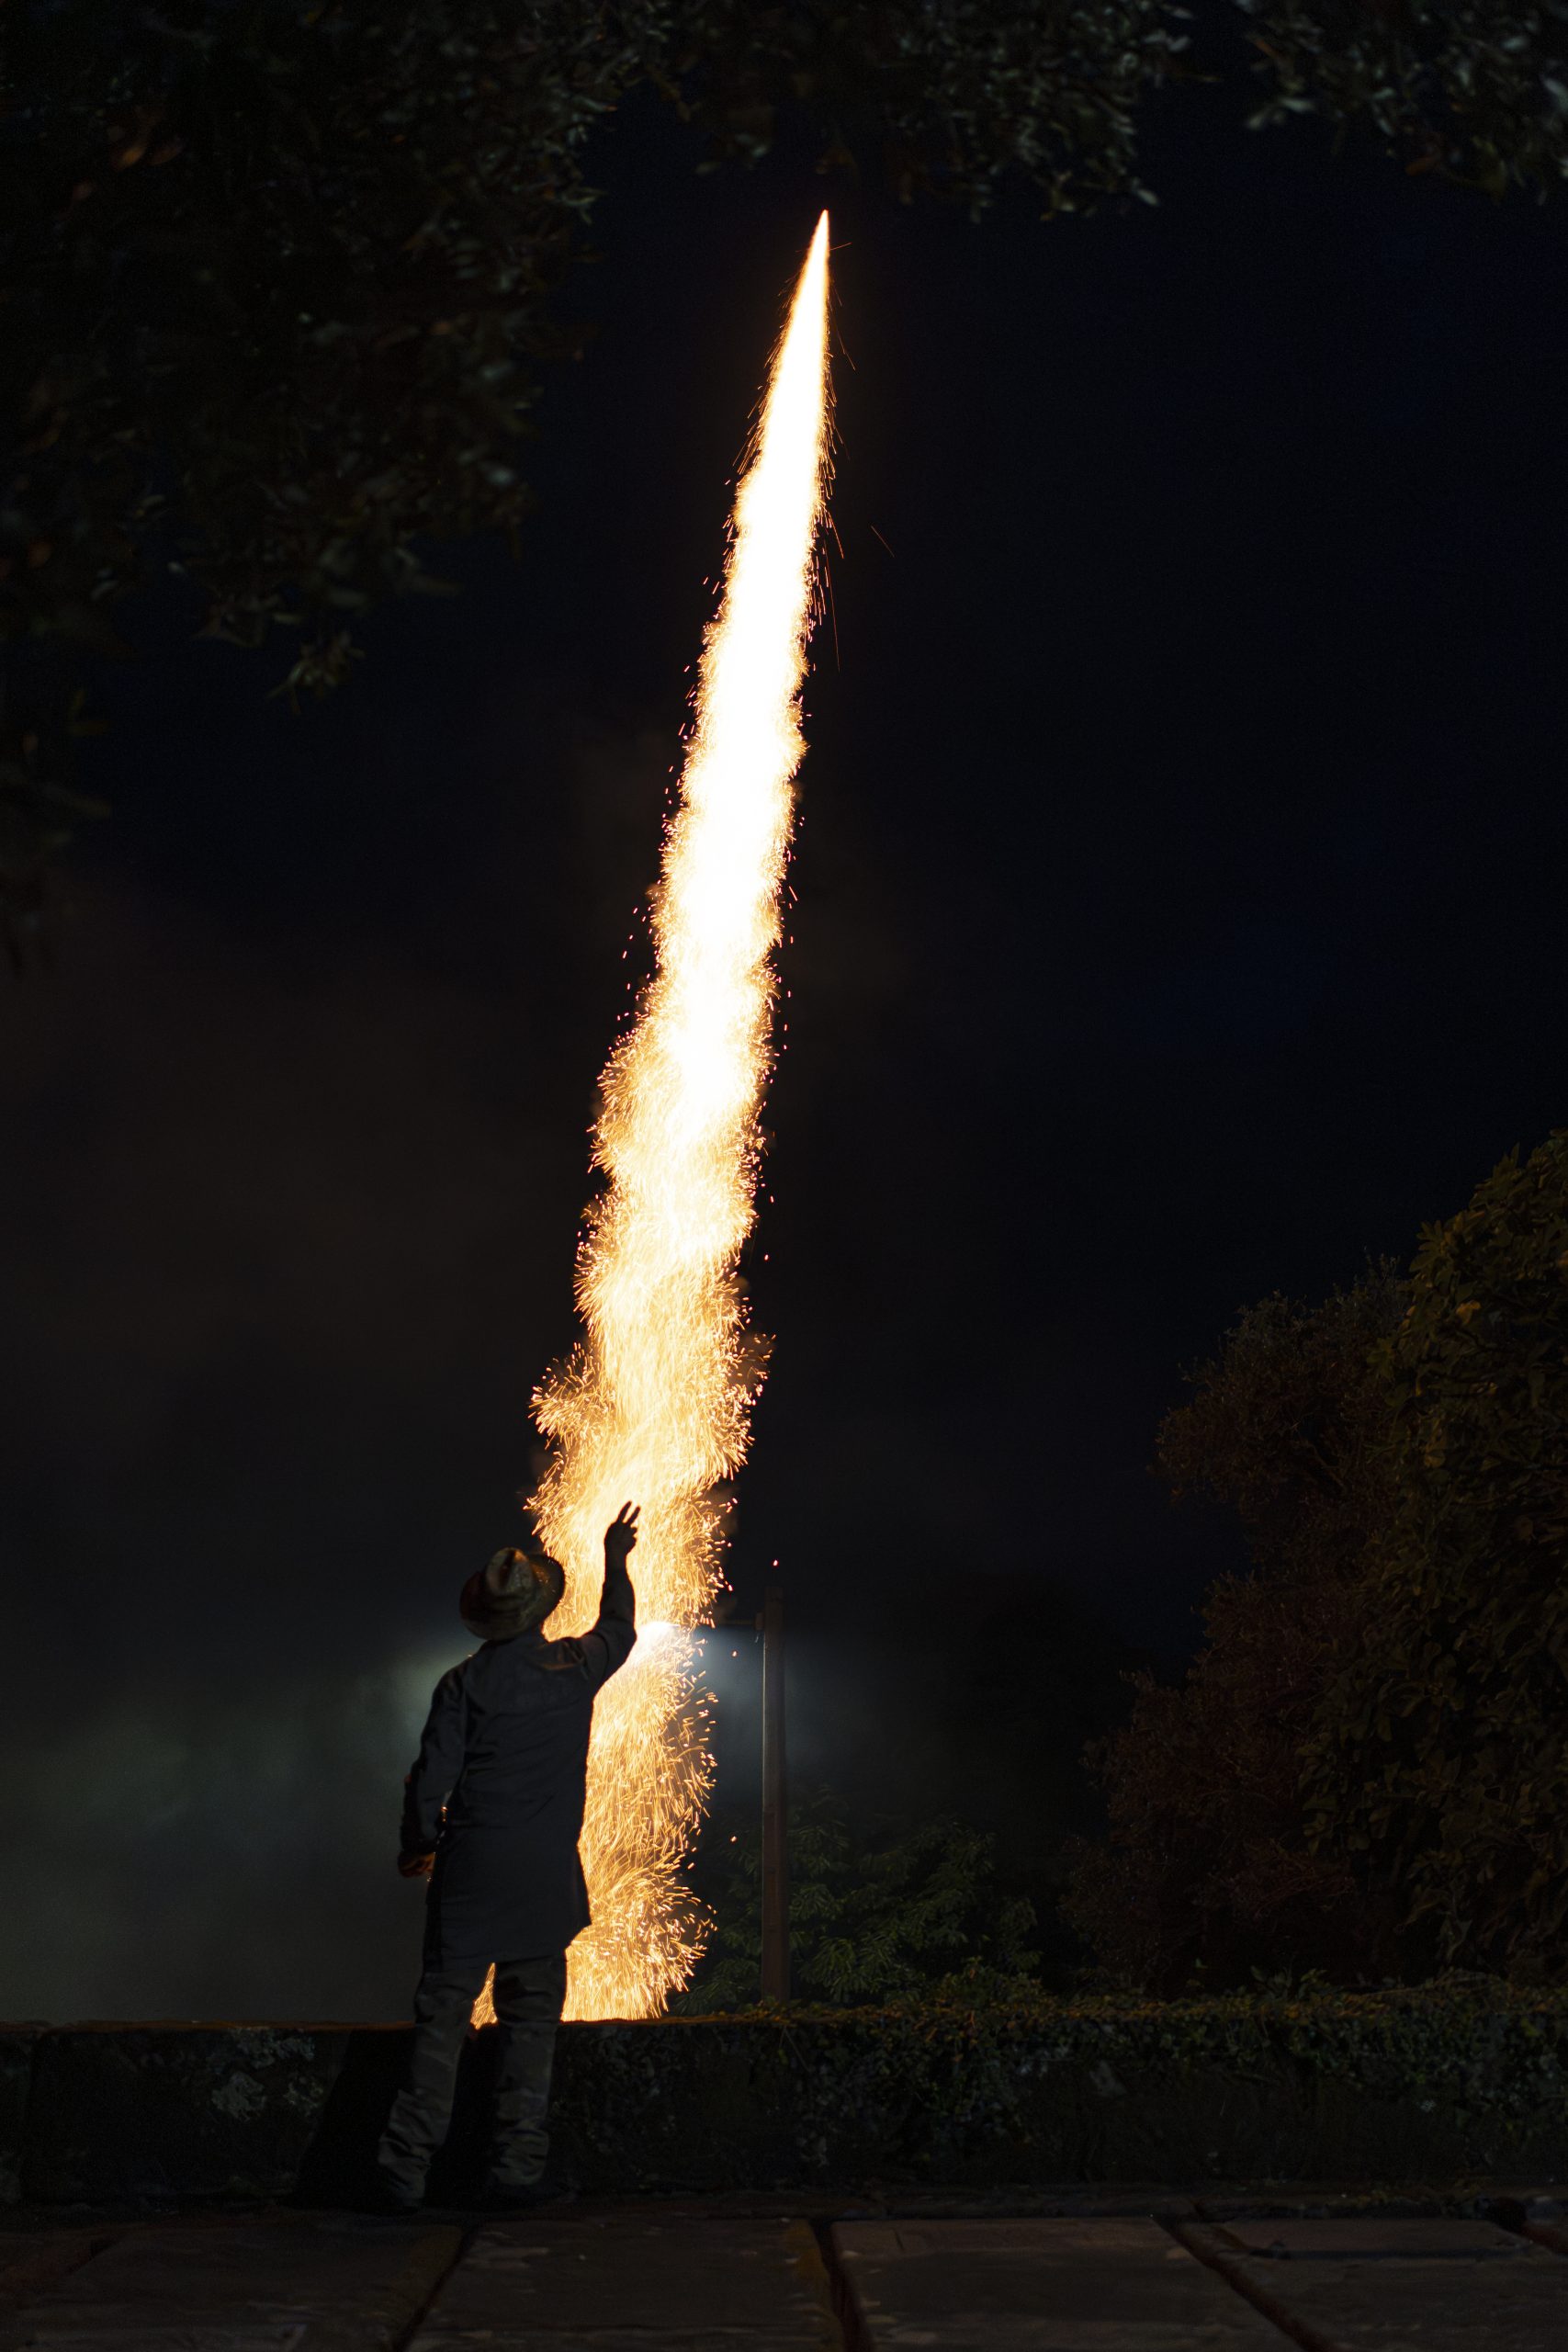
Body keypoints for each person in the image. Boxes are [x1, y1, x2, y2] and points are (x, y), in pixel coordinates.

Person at [374, 1501, 640, 2211]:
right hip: (543, 1880)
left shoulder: (461, 1685)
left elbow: (428, 1783)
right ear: (540, 1610)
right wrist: (615, 1560)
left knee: (441, 2024)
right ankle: (516, 2172)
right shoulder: (574, 1668)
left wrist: (418, 1846)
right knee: (530, 2029)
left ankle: (402, 2173)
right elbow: (619, 1628)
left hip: (470, 1875)